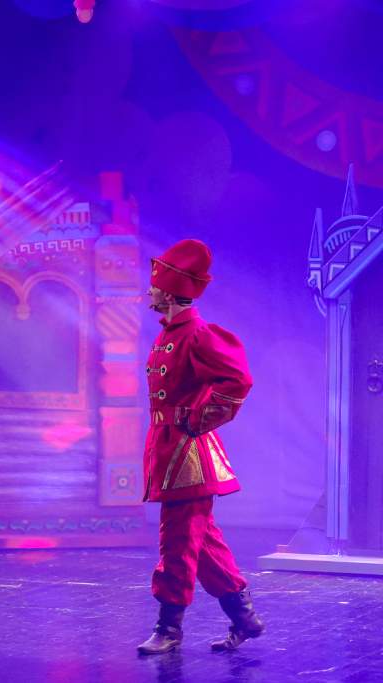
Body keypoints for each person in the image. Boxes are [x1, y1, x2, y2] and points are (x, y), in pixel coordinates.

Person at [136, 238, 265, 655]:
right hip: (166, 448)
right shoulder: (168, 334)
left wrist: (199, 417)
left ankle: (169, 629)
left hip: (187, 453)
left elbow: (237, 380)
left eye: (156, 284)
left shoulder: (197, 334)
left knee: (177, 542)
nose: (150, 290)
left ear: (171, 291)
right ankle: (245, 618)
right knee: (203, 542)